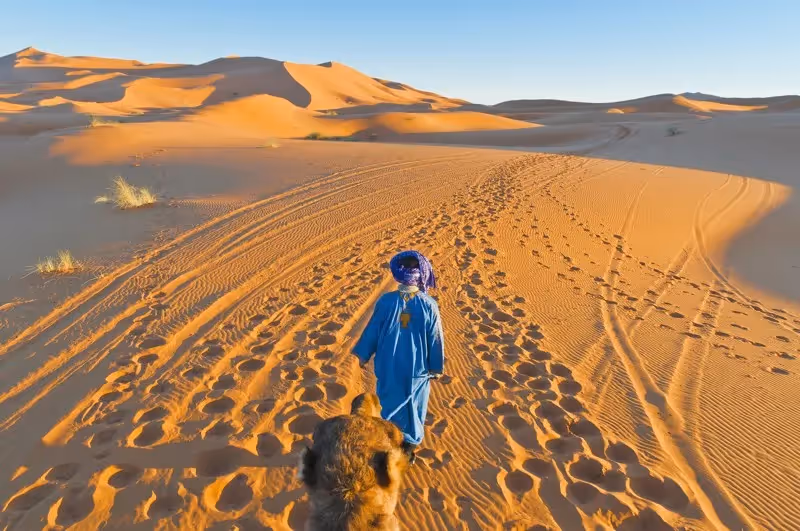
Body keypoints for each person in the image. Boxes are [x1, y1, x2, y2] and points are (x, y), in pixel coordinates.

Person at [353, 250, 445, 464]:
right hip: (417, 368)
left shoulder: (386, 301)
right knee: (414, 405)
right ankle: (407, 450)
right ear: (421, 274)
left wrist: (362, 355)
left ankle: (389, 444)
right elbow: (435, 338)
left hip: (388, 365)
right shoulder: (429, 304)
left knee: (387, 403)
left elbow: (372, 331)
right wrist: (436, 367)